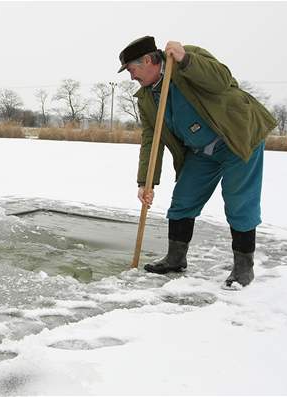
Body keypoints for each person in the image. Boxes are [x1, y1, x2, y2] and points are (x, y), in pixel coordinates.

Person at [117, 36, 276, 287]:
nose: (131, 76)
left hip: (236, 138)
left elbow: (223, 80)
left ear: (147, 60)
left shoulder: (185, 57)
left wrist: (186, 60)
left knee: (239, 202)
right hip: (201, 153)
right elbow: (152, 139)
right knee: (183, 200)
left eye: (132, 70)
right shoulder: (147, 98)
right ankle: (175, 258)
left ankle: (243, 268)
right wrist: (146, 181)